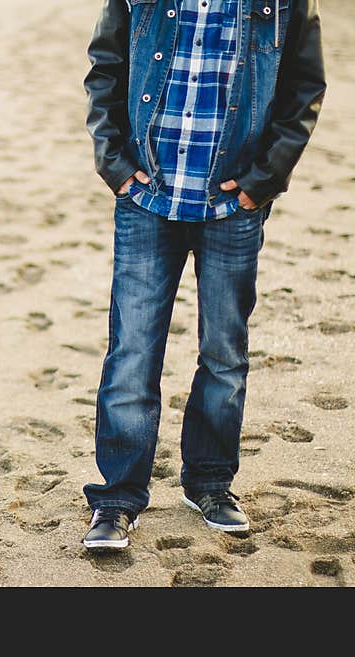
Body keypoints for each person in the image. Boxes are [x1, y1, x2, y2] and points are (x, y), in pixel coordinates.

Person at [81, 0, 326, 549]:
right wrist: (114, 165)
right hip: (147, 198)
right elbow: (105, 68)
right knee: (133, 352)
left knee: (224, 350)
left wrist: (263, 182)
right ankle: (117, 498)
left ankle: (211, 482)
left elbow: (303, 90)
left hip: (231, 205)